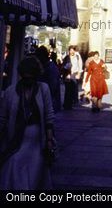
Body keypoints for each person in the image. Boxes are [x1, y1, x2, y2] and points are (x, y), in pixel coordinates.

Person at [0, 56, 55, 189]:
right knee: (14, 164)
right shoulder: (11, 92)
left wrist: (49, 140)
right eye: (25, 78)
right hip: (16, 139)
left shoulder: (43, 89)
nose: (28, 81)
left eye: (31, 78)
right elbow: (3, 118)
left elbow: (49, 115)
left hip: (36, 141)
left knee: (34, 175)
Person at [35, 46, 61, 113]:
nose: (37, 59)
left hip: (49, 102)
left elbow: (52, 87)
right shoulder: (42, 67)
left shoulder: (51, 68)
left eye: (38, 57)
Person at [61, 46, 82, 110]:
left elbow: (80, 66)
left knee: (73, 90)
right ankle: (66, 104)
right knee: (67, 90)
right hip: (67, 75)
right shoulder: (66, 58)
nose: (72, 52)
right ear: (69, 51)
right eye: (70, 50)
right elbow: (63, 66)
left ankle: (70, 104)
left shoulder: (77, 57)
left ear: (75, 51)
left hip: (74, 74)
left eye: (73, 50)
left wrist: (79, 74)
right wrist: (66, 68)